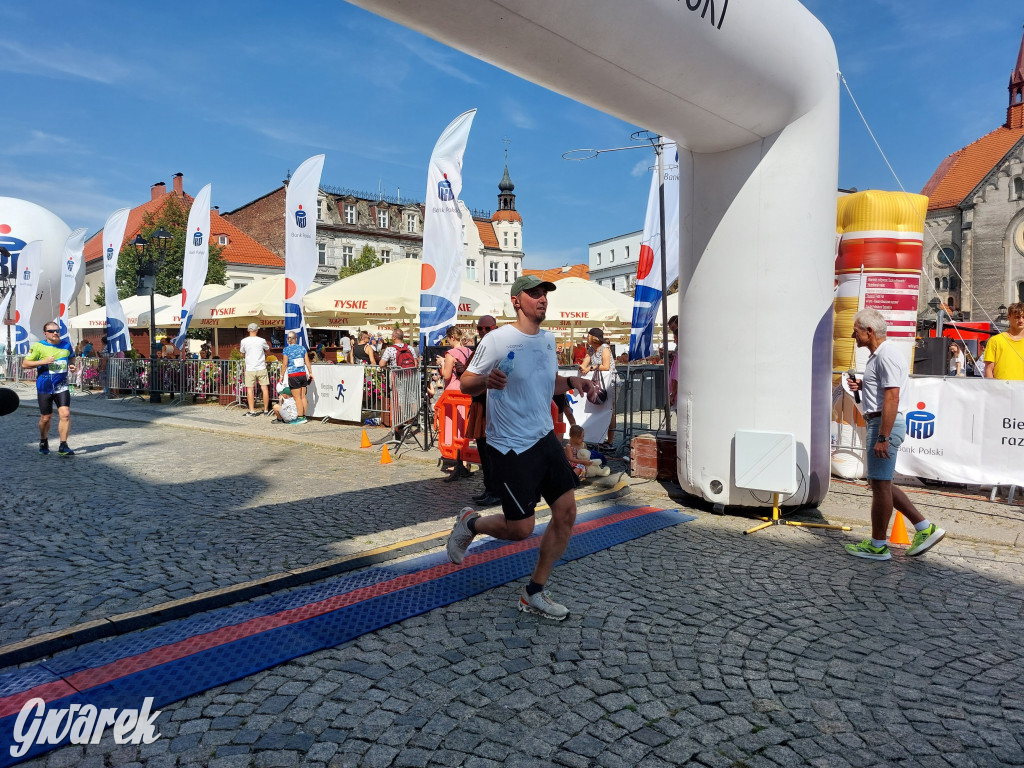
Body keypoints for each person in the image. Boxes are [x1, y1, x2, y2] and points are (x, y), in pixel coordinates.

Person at [446, 274, 596, 620]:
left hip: (545, 438)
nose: (542, 298)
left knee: (567, 514)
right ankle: (470, 524)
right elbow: (467, 381)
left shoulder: (547, 340)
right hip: (510, 447)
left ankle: (533, 593)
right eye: (534, 294)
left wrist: (574, 381)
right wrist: (486, 380)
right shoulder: (498, 340)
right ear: (516, 301)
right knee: (521, 529)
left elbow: (546, 382)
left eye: (545, 293)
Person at [845, 308, 946, 560]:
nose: (852, 335)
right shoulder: (880, 354)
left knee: (879, 487)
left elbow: (892, 396)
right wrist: (863, 386)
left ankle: (878, 545)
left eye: (856, 330)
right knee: (882, 484)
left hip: (883, 425)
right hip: (881, 423)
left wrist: (883, 437)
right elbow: (884, 391)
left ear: (869, 331)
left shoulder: (886, 354)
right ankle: (924, 527)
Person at [22, 322, 77, 456]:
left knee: (65, 414)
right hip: (44, 386)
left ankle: (63, 446)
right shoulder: (38, 346)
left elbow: (72, 357)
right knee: (46, 417)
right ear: (45, 333)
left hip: (62, 385)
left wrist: (72, 365)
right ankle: (43, 440)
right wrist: (43, 362)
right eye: (51, 331)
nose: (55, 333)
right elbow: (25, 364)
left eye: (57, 330)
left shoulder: (66, 344)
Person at [468, 315, 501, 507]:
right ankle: (490, 489)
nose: (483, 332)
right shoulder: (481, 348)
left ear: (495, 328)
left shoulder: (500, 348)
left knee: (491, 450)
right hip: (481, 403)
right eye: (480, 328)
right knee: (483, 448)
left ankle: (496, 491)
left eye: (487, 328)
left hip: (494, 405)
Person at [579, 327, 615, 450]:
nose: (586, 337)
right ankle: (597, 438)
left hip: (610, 383)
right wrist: (582, 367)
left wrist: (591, 367)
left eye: (588, 335)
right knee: (597, 410)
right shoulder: (590, 349)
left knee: (610, 410)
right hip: (598, 382)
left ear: (594, 337)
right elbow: (585, 363)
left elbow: (606, 366)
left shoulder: (605, 348)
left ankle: (609, 441)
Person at [984, 302, 1024, 380]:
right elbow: (989, 369)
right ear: (1008, 317)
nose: (1021, 320)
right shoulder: (995, 340)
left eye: (1023, 317)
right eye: (1017, 317)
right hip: (1002, 389)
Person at [240, 323, 271, 416]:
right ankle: (265, 410)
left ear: (248, 330)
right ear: (257, 330)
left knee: (250, 389)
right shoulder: (262, 340)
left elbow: (242, 353)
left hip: (250, 367)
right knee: (264, 388)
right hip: (261, 366)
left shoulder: (244, 341)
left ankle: (252, 411)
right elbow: (268, 350)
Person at [282, 331, 312, 423]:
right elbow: (307, 361)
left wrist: (281, 375)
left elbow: (284, 364)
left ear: (288, 339)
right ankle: (304, 416)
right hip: (302, 374)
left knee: (297, 398)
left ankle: (300, 417)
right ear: (296, 339)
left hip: (293, 375)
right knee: (303, 396)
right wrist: (310, 372)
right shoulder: (302, 348)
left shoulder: (286, 350)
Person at [440, 326, 472, 391]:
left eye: (448, 339)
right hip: (467, 388)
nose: (448, 341)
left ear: (452, 337)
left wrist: (442, 363)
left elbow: (446, 376)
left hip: (453, 390)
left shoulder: (451, 353)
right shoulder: (469, 351)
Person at [667, 315, 679, 406]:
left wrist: (673, 394)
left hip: (677, 393)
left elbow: (677, 376)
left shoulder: (681, 352)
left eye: (674, 328)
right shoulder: (678, 349)